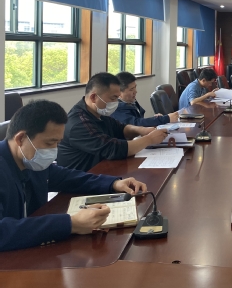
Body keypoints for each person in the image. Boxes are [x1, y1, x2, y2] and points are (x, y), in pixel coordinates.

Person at [0, 100, 148, 252]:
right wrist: (71, 224)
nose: (54, 151)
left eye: (58, 143)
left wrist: (113, 183)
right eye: (50, 143)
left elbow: (67, 177)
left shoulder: (29, 160)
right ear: (20, 139)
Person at [57, 72, 168, 171]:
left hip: (101, 171)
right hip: (82, 179)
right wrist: (149, 139)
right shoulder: (78, 124)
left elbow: (120, 128)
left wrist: (142, 130)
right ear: (93, 97)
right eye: (113, 98)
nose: (116, 102)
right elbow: (113, 149)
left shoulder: (98, 112)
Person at [113, 72, 179, 127]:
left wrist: (155, 119)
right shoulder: (116, 108)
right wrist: (164, 119)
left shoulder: (131, 101)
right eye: (131, 89)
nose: (136, 91)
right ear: (119, 93)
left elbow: (141, 121)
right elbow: (136, 123)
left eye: (135, 87)